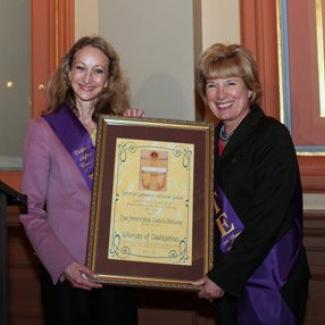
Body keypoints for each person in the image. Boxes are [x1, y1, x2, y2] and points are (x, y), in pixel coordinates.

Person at [20, 35, 142, 325]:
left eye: (98, 70)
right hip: (67, 274)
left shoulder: (121, 127)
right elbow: (31, 211)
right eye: (80, 68)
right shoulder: (44, 130)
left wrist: (139, 137)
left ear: (109, 78)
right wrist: (64, 266)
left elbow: (138, 200)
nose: (88, 78)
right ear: (68, 72)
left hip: (117, 269)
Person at [193, 43, 310, 324]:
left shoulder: (272, 137)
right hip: (225, 279)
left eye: (231, 83)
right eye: (212, 85)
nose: (221, 95)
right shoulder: (205, 141)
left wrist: (224, 276)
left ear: (250, 90)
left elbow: (268, 219)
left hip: (270, 276)